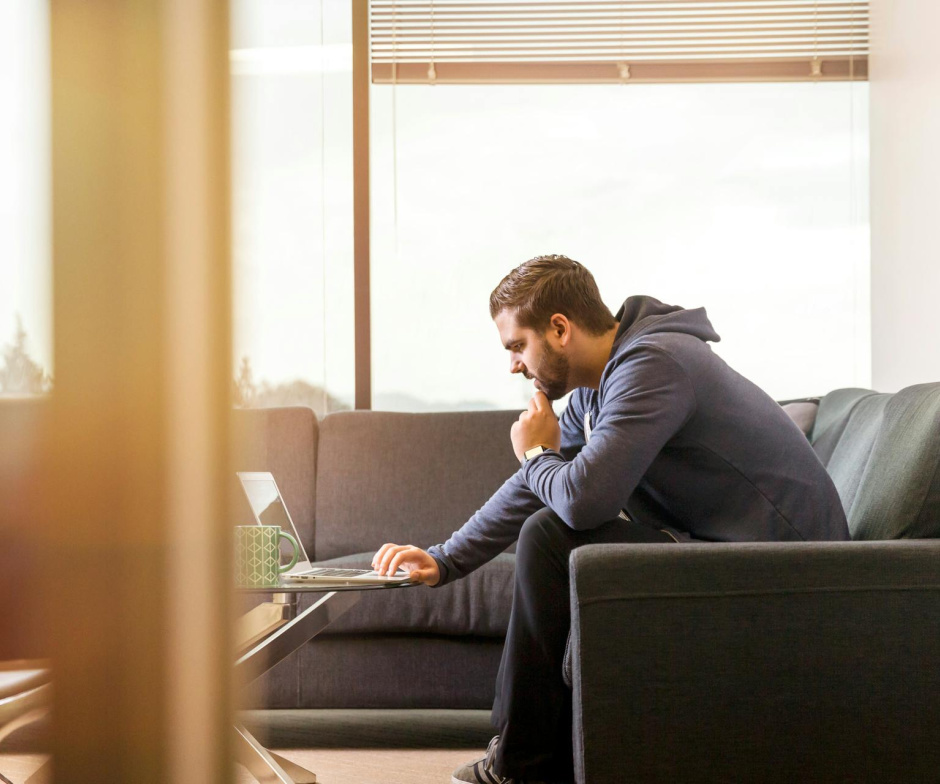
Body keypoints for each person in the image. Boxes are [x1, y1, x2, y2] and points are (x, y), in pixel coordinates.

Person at [371, 254, 849, 784]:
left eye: (516, 346)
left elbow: (582, 501)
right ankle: (525, 759)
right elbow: (533, 490)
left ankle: (522, 765)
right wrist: (444, 559)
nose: (513, 366)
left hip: (794, 572)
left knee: (553, 535)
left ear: (559, 329)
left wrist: (535, 455)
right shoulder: (600, 390)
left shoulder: (655, 365)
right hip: (723, 550)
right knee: (548, 528)